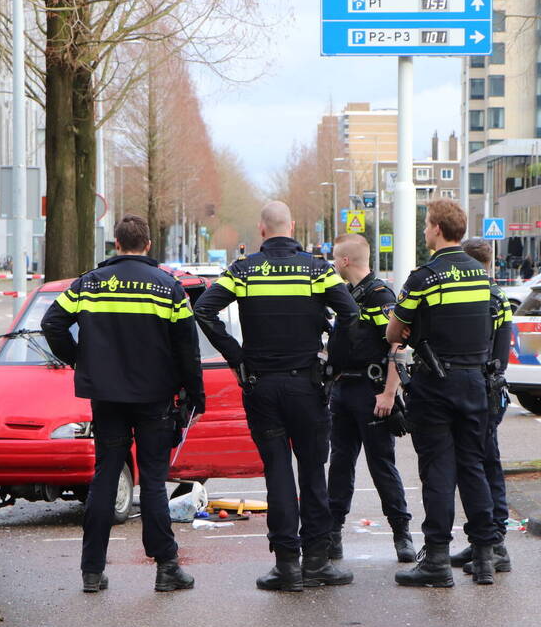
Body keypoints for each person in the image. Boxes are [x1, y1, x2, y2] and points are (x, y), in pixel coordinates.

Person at [194, 201, 358, 592]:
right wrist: (332, 365)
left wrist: (237, 358)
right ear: (293, 226)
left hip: (262, 386)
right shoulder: (317, 269)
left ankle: (286, 566)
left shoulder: (244, 270)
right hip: (307, 385)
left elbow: (203, 311)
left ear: (262, 230)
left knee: (278, 473)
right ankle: (317, 562)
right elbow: (350, 316)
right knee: (313, 472)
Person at [41, 214, 205, 594]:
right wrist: (195, 394)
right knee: (152, 481)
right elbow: (187, 349)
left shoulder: (90, 283)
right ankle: (166, 568)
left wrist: (81, 360)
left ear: (116, 244)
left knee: (105, 476)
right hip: (155, 399)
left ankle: (92, 572)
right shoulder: (169, 288)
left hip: (107, 397)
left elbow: (53, 324)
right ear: (147, 244)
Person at [387, 199, 497, 587]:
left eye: (426, 224)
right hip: (474, 382)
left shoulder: (424, 277)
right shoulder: (483, 277)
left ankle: (436, 559)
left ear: (435, 228)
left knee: (438, 469)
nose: (423, 230)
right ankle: (485, 557)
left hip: (435, 383)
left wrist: (400, 323)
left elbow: (393, 333)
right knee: (473, 468)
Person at [325, 233, 414, 564]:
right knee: (340, 464)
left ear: (345, 261)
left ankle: (401, 534)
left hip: (371, 391)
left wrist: (389, 392)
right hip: (343, 391)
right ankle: (333, 535)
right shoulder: (346, 295)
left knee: (381, 465)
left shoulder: (379, 295)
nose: (334, 264)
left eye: (336, 259)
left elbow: (397, 345)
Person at [452, 238, 513, 576]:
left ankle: (496, 544)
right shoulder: (497, 295)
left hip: (480, 388)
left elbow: (497, 351)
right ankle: (483, 542)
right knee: (482, 463)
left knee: (484, 465)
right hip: (488, 388)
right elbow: (503, 348)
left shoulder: (485, 295)